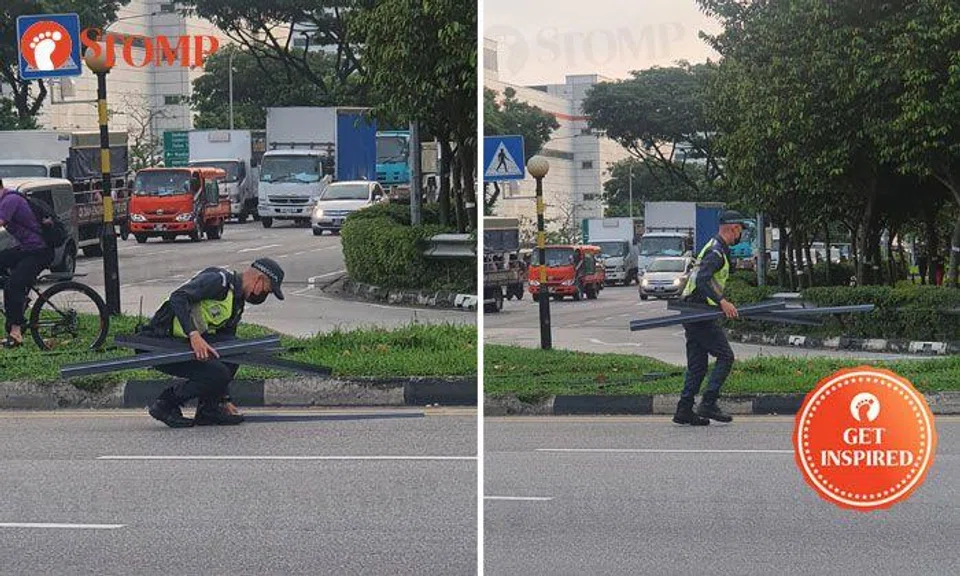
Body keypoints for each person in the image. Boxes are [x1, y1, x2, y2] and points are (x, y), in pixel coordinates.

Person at [143, 258, 285, 428]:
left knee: (234, 350)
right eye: (267, 291)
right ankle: (165, 403)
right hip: (159, 341)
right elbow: (178, 297)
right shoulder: (219, 281)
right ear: (259, 280)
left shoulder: (236, 304)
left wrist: (224, 398)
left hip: (181, 341)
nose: (263, 295)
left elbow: (227, 351)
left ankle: (209, 410)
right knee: (216, 372)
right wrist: (194, 335)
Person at [673, 210, 744, 426]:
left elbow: (707, 280)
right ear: (733, 228)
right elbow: (703, 280)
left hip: (692, 310)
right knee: (726, 356)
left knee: (698, 366)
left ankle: (684, 410)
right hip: (699, 311)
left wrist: (720, 301)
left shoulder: (714, 246)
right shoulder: (716, 252)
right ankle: (708, 402)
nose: (740, 236)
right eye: (740, 231)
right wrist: (722, 301)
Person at [0, 180, 55, 348]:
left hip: (40, 251)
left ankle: (16, 332)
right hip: (27, 249)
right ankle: (19, 300)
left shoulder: (10, 200)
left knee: (14, 284)